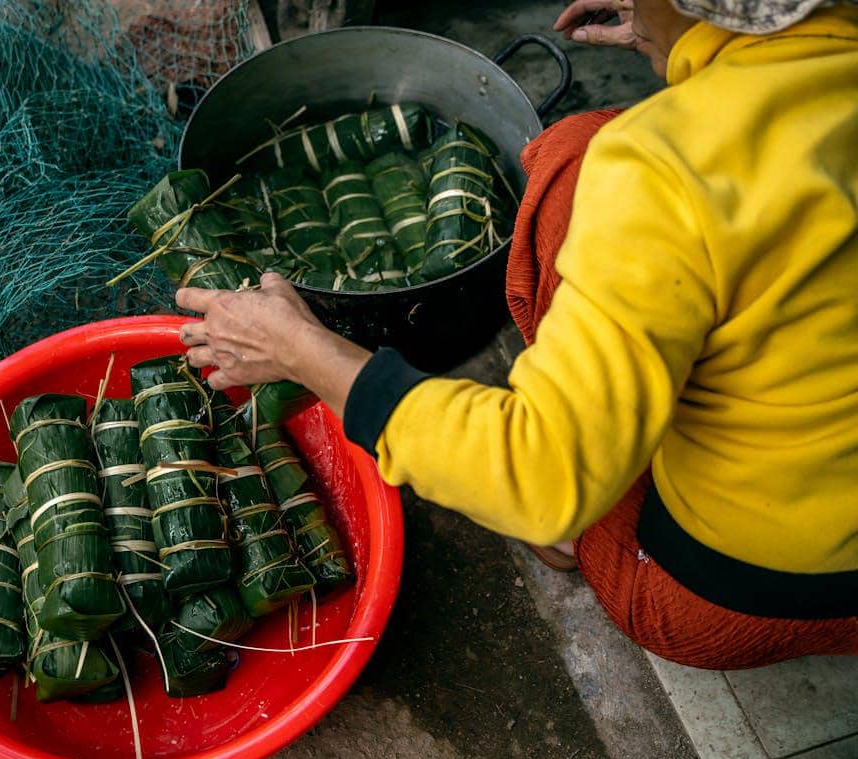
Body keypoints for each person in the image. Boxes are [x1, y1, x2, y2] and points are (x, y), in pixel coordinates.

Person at [176, 0, 858, 670]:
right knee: (589, 149)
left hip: (733, 601)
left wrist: (298, 348)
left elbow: (537, 476)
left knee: (572, 162)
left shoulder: (660, 169)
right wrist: (690, 32)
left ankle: (581, 540)